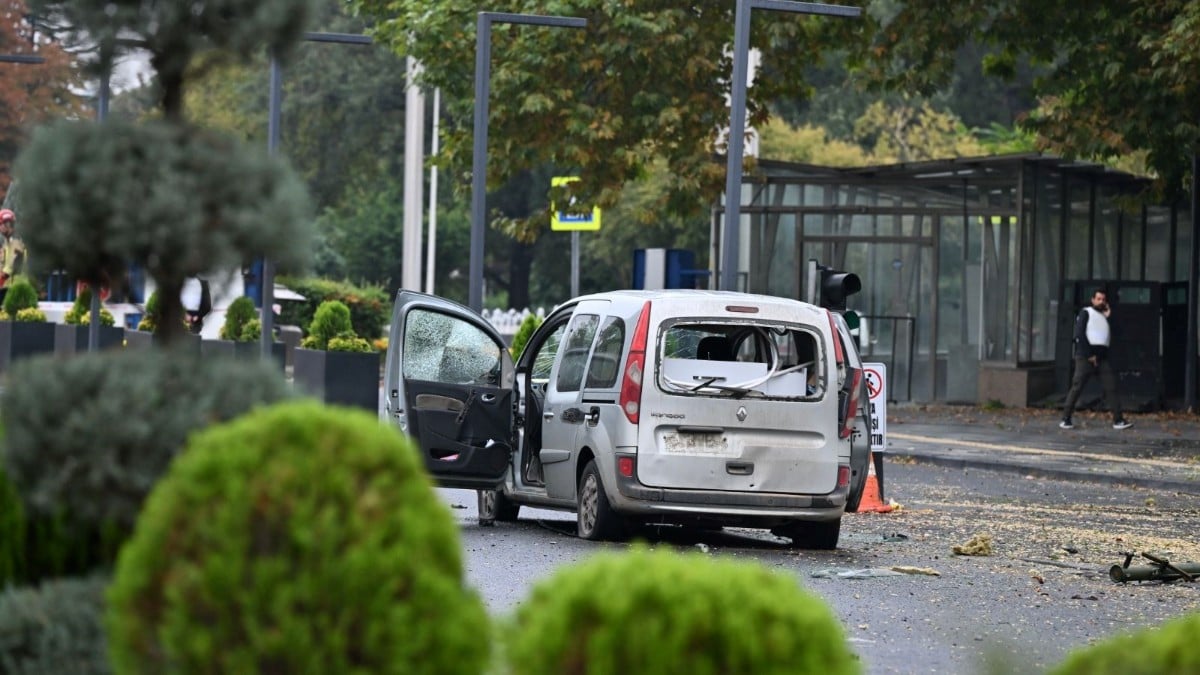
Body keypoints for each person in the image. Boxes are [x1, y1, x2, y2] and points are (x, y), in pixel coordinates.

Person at [1060, 288, 1133, 430]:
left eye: (1103, 299)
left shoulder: (1105, 316)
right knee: (1077, 387)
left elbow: (1115, 334)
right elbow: (1080, 334)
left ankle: (1118, 420)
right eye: (1098, 299)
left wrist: (1109, 316)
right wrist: (1089, 355)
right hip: (1085, 357)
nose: (1101, 302)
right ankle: (1065, 418)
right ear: (1093, 299)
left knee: (1111, 386)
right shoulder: (1086, 312)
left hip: (1101, 358)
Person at [0, 208, 26, 306]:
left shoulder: (16, 240)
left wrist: (1, 278)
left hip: (17, 287)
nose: (0, 227)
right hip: (7, 287)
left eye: (1, 224)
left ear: (8, 224)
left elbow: (11, 263)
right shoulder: (6, 242)